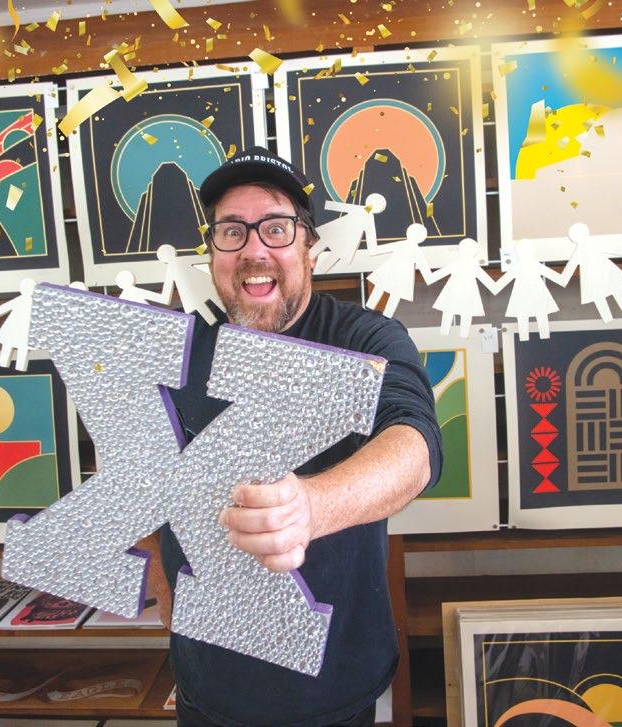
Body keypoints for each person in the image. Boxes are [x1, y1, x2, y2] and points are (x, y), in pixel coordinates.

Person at [146, 147, 443, 727]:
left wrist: (310, 507)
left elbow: (415, 444)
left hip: (334, 687)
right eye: (232, 231)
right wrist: (161, 578)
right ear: (213, 253)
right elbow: (143, 479)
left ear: (309, 248)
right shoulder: (179, 353)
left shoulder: (366, 339)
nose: (254, 250)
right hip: (206, 687)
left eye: (276, 229)